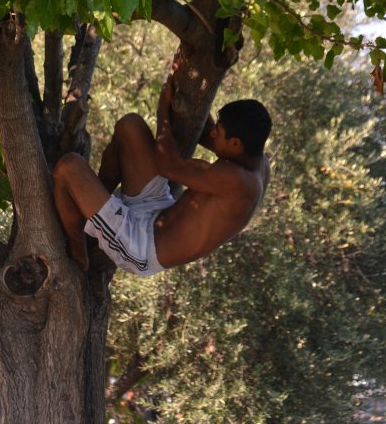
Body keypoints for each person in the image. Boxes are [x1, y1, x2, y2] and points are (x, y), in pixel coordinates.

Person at [53, 73, 271, 275]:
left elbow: (169, 168)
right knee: (130, 125)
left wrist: (162, 110)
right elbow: (207, 135)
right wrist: (184, 77)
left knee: (68, 167)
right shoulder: (254, 157)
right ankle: (91, 208)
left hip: (141, 247)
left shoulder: (240, 182)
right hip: (157, 208)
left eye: (219, 132)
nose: (213, 133)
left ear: (235, 143)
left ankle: (78, 252)